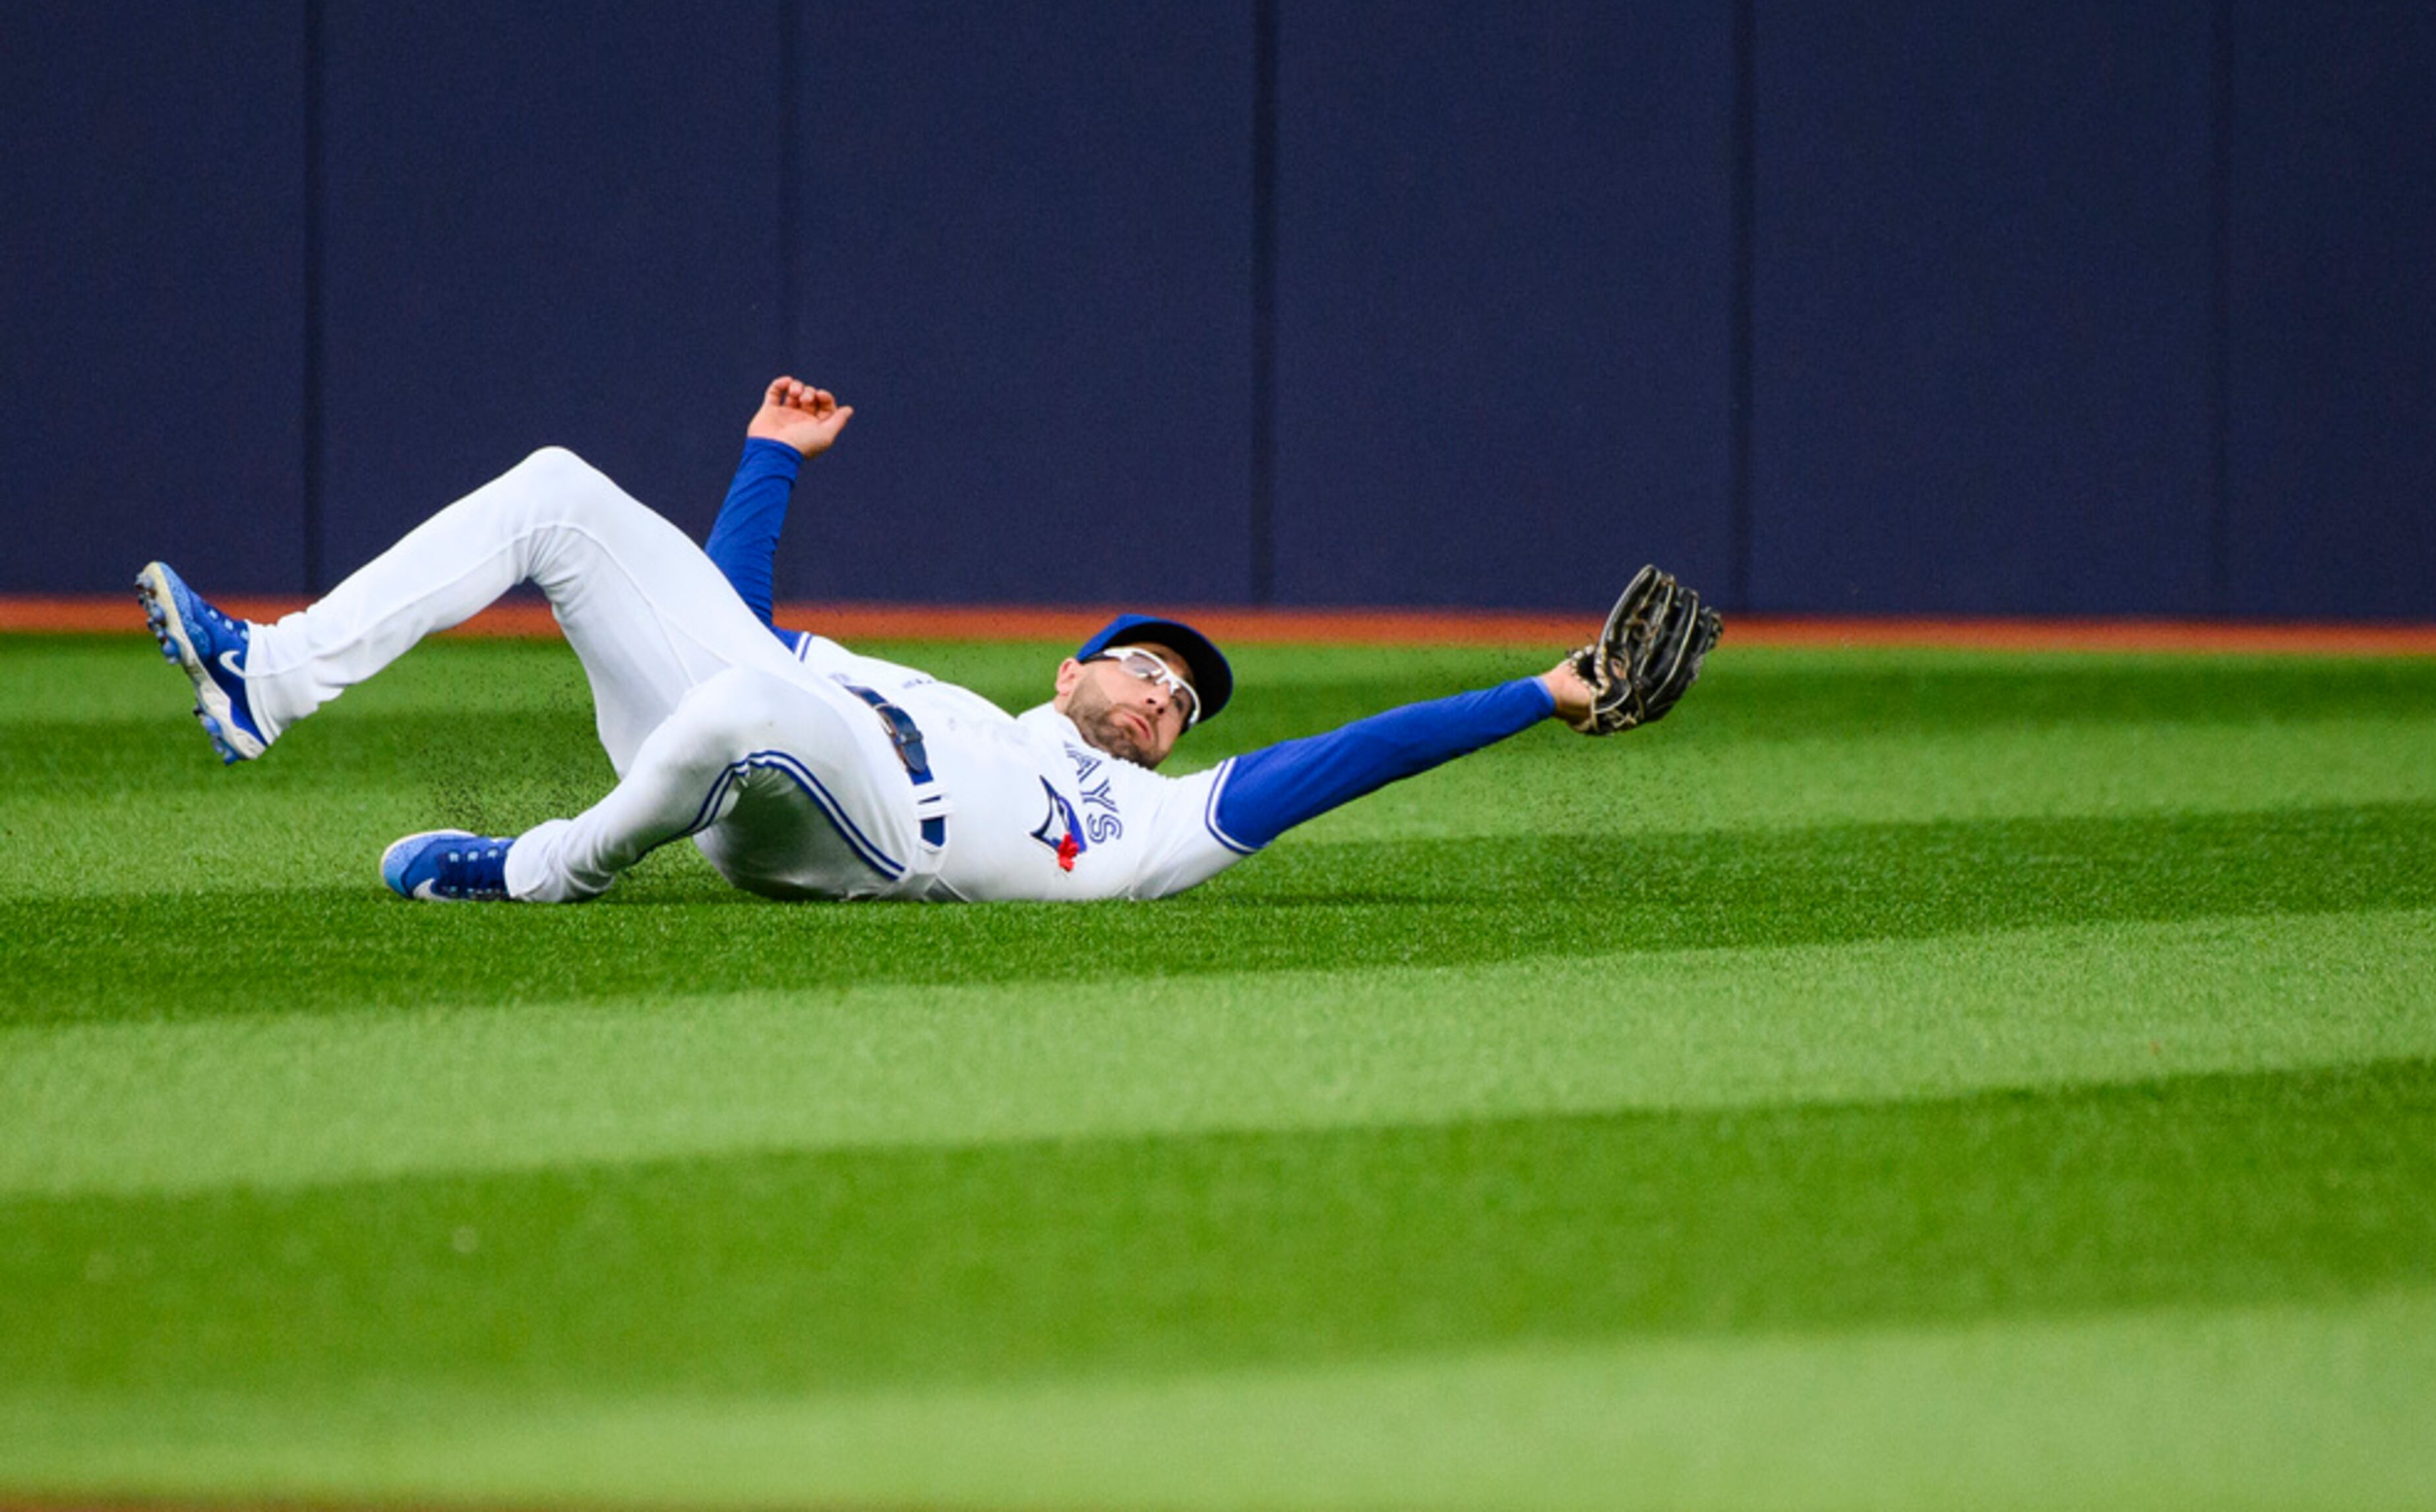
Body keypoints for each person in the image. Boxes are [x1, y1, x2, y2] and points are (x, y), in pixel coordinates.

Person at [136, 378, 1718, 905]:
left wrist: (1536, 689)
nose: (1166, 694)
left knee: (760, 697)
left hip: (848, 826)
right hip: (748, 729)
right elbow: (731, 620)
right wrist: (764, 462)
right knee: (559, 490)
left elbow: (1336, 760)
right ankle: (267, 677)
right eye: (1146, 663)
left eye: (1183, 695)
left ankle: (538, 869)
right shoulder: (955, 692)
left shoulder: (1157, 824)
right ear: (1069, 669)